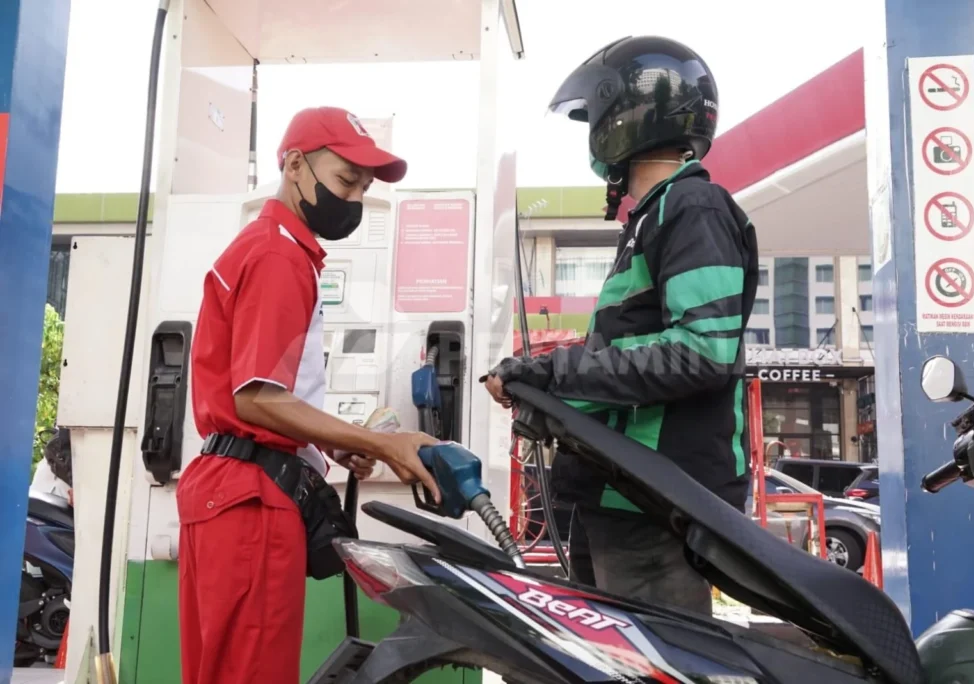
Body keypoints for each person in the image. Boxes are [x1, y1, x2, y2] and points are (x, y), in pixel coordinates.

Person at [483, 36, 760, 615]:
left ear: (625, 120)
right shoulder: (654, 217)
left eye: (595, 118)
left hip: (654, 503)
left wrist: (557, 373)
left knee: (652, 665)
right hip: (619, 492)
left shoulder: (691, 209)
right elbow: (631, 365)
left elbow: (701, 350)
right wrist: (547, 390)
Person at [177, 106, 441, 684]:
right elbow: (256, 399)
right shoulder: (279, 256)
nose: (353, 200)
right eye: (346, 181)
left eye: (363, 189)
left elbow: (262, 397)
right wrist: (381, 442)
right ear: (294, 165)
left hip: (228, 489)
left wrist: (328, 444)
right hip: (251, 499)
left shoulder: (264, 245)